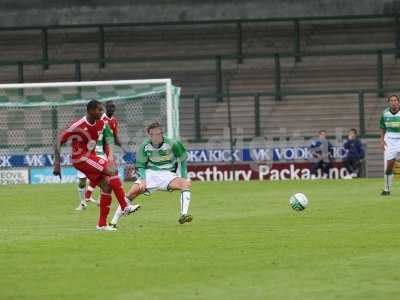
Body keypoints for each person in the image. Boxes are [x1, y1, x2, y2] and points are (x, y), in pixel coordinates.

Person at [53, 99, 140, 231]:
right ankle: (125, 206)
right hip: (81, 158)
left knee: (107, 187)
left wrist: (114, 148)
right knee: (112, 170)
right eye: (99, 110)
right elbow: (59, 140)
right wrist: (57, 163)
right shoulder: (78, 125)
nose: (102, 112)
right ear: (91, 110)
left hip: (91, 157)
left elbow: (107, 139)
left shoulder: (100, 123)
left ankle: (101, 224)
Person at [109, 122, 192, 227]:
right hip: (150, 174)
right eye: (153, 134)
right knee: (132, 192)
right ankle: (113, 222)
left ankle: (184, 215)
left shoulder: (173, 143)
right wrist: (143, 179)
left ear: (162, 133)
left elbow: (183, 159)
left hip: (168, 175)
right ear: (149, 135)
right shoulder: (145, 146)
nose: (157, 136)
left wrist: (184, 177)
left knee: (185, 184)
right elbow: (141, 166)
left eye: (159, 134)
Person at [83, 100, 124, 206]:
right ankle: (93, 196)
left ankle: (89, 196)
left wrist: (120, 144)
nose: (112, 109)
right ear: (106, 107)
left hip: (107, 149)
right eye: (110, 106)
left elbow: (113, 136)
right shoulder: (100, 118)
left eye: (113, 107)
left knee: (107, 174)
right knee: (107, 173)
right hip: (99, 150)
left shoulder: (114, 121)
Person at [380, 94, 400, 196]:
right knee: (389, 166)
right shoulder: (385, 113)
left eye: (395, 100)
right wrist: (382, 140)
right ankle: (387, 189)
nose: (393, 102)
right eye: (391, 100)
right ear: (389, 102)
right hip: (391, 141)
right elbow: (382, 127)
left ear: (398, 102)